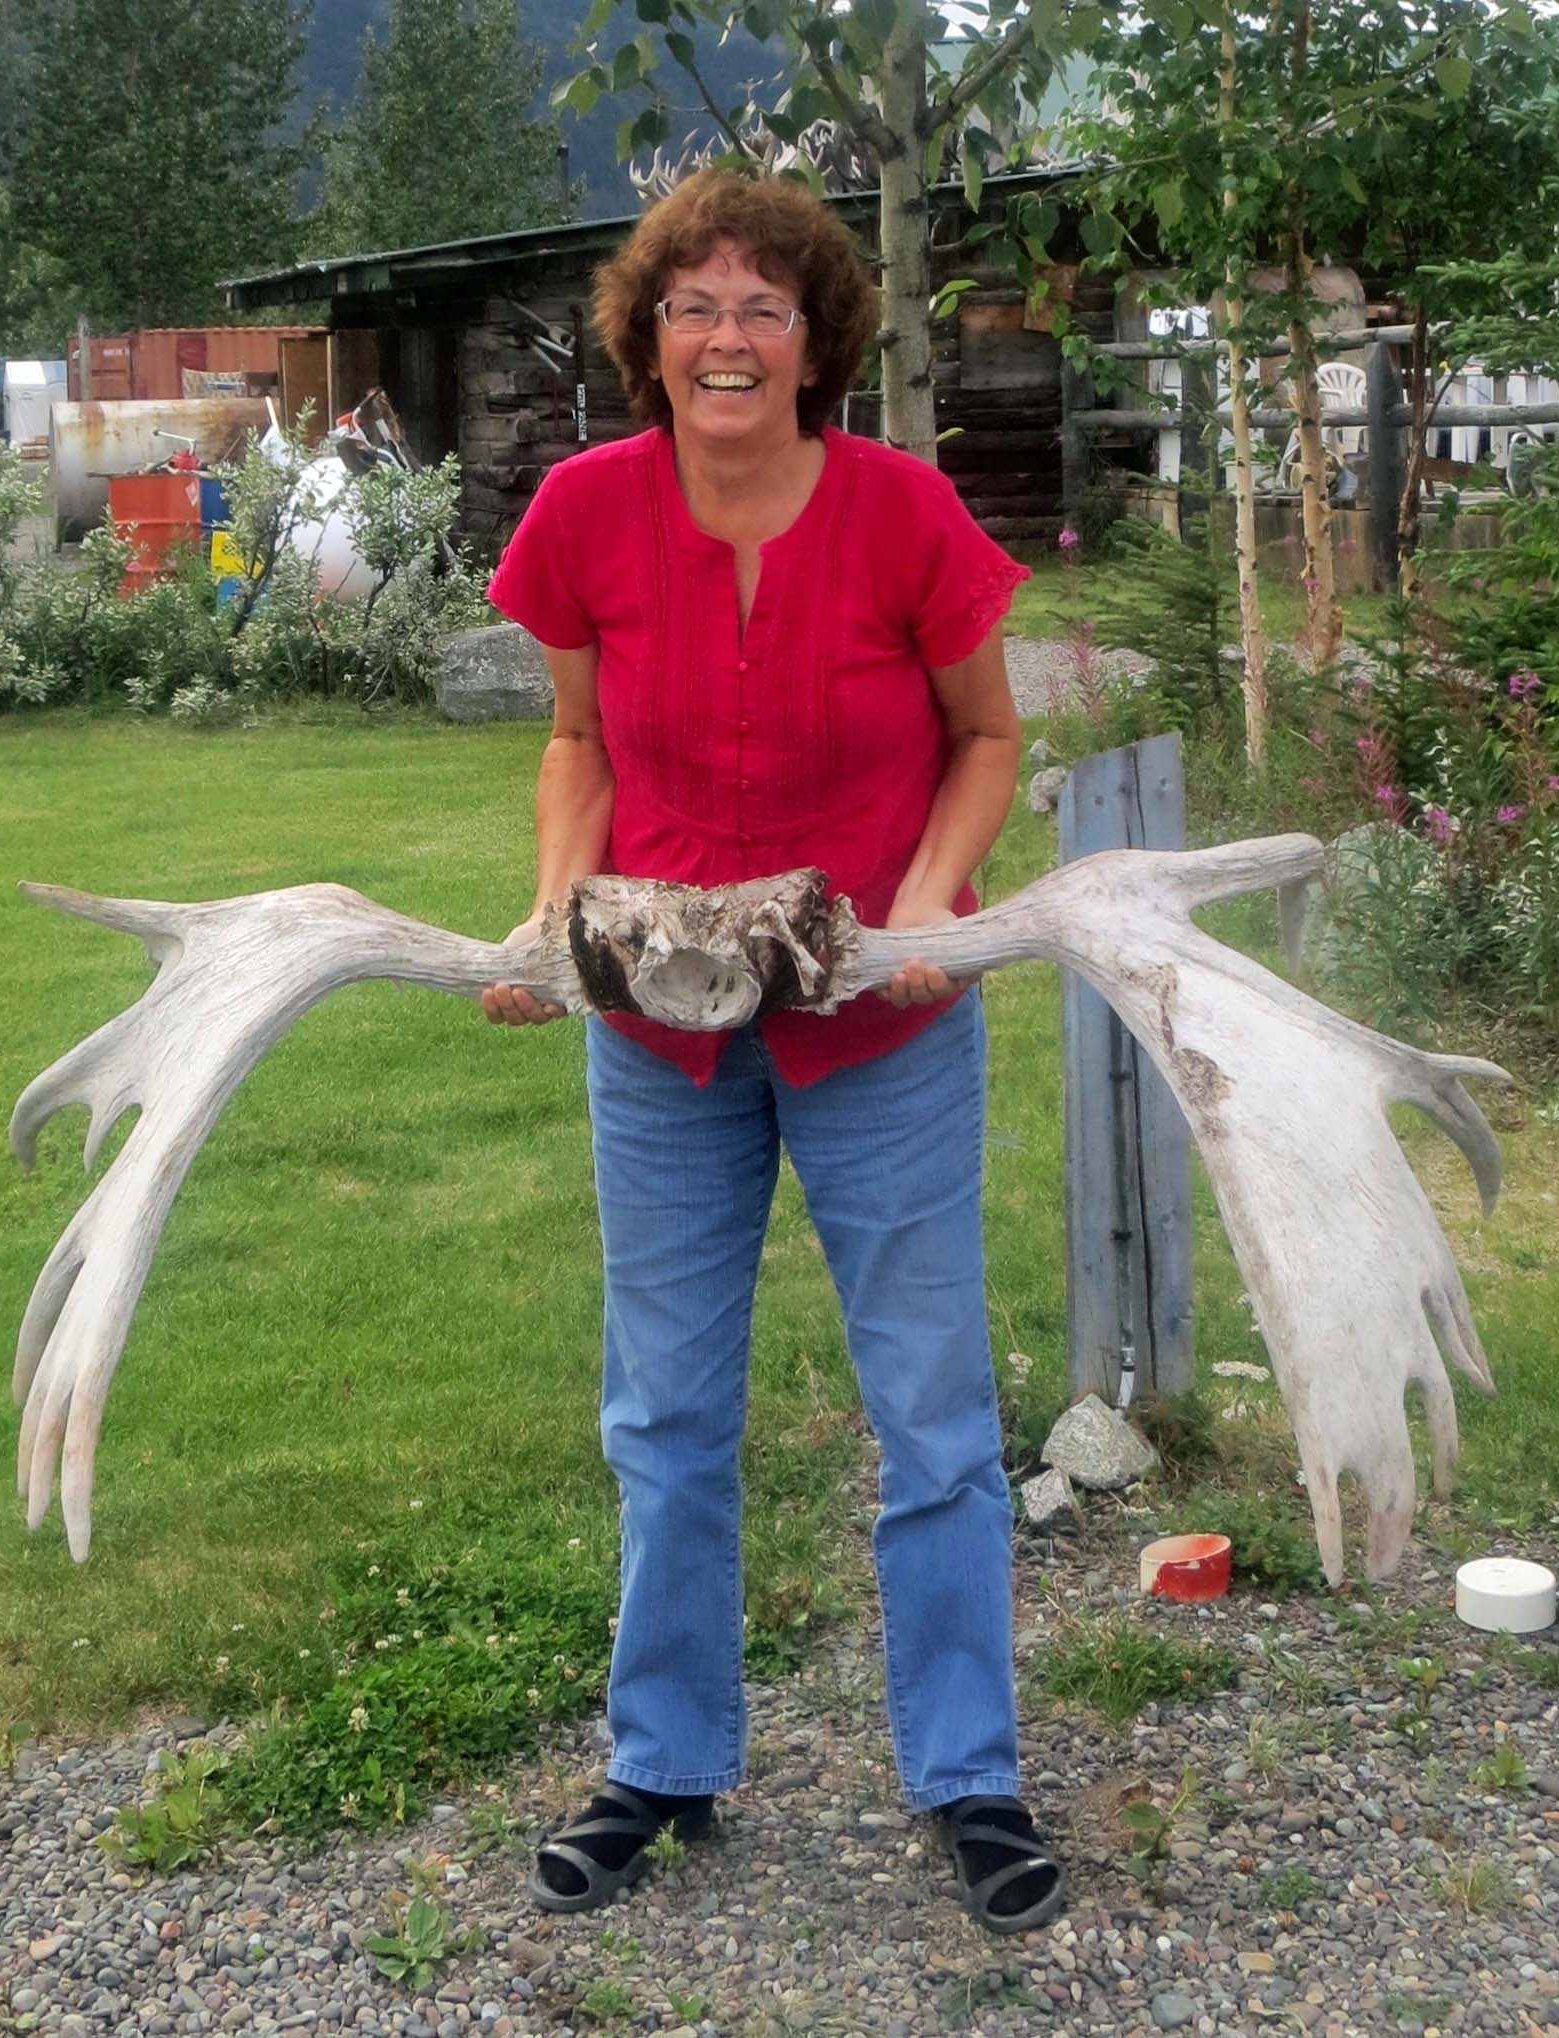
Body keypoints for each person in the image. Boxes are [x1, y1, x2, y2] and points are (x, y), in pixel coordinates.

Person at [478, 168, 1063, 1934]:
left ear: (819, 343)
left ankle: (970, 1773)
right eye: (693, 307)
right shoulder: (586, 511)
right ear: (648, 342)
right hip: (661, 1042)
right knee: (663, 1412)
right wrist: (548, 918)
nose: (725, 337)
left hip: (874, 1026)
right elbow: (578, 745)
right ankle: (662, 1758)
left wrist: (934, 906)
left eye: (763, 308)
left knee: (937, 1419)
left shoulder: (903, 515)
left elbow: (986, 739)